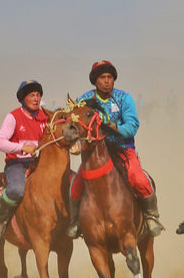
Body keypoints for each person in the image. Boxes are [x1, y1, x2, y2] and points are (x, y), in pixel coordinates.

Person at [66, 60, 164, 239]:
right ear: (95, 80)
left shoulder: (124, 98)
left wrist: (113, 126)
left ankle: (151, 216)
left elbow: (133, 125)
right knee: (76, 184)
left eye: (109, 77)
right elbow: (75, 125)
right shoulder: (83, 101)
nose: (106, 81)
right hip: (95, 153)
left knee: (139, 179)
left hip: (123, 149)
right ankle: (76, 221)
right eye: (102, 77)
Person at [0, 80, 48, 245]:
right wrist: (22, 147)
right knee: (16, 189)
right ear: (23, 99)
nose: (36, 99)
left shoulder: (44, 117)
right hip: (17, 164)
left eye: (38, 95)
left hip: (40, 163)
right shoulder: (13, 117)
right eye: (32, 95)